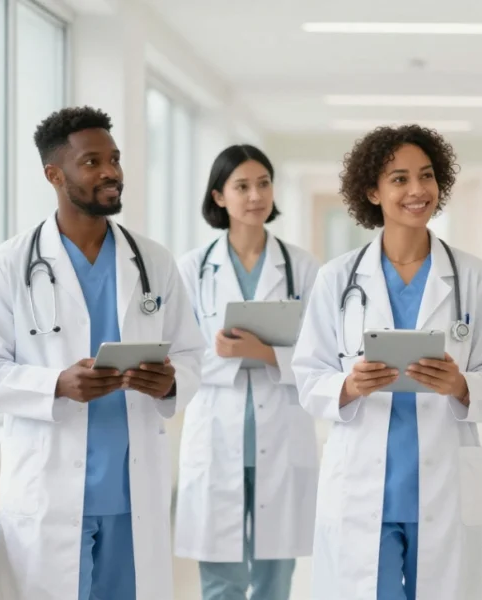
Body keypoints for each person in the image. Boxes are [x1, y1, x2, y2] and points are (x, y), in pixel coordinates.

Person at [0, 106, 204, 600]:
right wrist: (55, 384)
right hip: (49, 490)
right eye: (92, 162)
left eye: (114, 159)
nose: (111, 172)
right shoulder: (7, 265)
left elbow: (193, 353)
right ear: (54, 175)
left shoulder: (153, 261)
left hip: (131, 492)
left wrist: (172, 381)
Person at [290, 124, 482, 600]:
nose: (417, 191)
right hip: (363, 486)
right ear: (372, 191)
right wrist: (349, 386)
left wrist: (461, 385)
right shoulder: (337, 278)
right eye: (399, 179)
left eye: (427, 176)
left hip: (444, 484)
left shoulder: (471, 276)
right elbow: (309, 376)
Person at [173, 144, 321, 600]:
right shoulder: (192, 269)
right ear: (219, 196)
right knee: (221, 579)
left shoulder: (302, 267)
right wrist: (240, 353)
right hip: (218, 432)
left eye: (263, 184)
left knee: (276, 579)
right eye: (242, 186)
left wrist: (266, 353)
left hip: (281, 429)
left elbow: (323, 357)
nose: (255, 195)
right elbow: (180, 357)